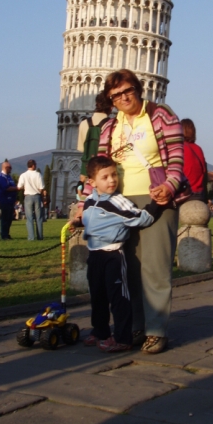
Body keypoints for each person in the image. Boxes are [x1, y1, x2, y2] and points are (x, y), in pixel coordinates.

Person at [98, 68, 184, 355]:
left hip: (157, 199)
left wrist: (169, 187)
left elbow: (176, 158)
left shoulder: (161, 115)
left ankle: (156, 330)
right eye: (115, 95)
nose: (123, 98)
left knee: (155, 267)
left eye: (127, 91)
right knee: (130, 269)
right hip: (122, 203)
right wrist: (89, 203)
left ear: (137, 88)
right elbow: (100, 169)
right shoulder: (109, 127)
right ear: (110, 99)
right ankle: (135, 327)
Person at [82, 155, 155, 352]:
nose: (112, 180)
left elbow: (140, 218)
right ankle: (100, 331)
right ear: (92, 182)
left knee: (119, 298)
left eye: (114, 175)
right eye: (105, 177)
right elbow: (90, 219)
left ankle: (123, 338)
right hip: (94, 255)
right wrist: (78, 222)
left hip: (113, 255)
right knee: (97, 296)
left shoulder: (118, 201)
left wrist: (155, 205)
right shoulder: (90, 201)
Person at [78, 92, 110, 182]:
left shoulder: (83, 124)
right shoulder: (112, 124)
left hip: (87, 174)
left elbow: (82, 150)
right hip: (105, 175)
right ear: (111, 107)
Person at [18, 159, 45, 241]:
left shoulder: (23, 175)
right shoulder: (38, 175)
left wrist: (25, 187)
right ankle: (40, 236)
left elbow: (19, 187)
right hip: (37, 196)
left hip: (28, 196)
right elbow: (41, 188)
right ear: (33, 165)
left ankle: (31, 237)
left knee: (29, 218)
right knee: (39, 218)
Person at [180, 118, 207, 201]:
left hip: (184, 193)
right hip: (199, 193)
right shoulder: (198, 149)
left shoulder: (179, 148)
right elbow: (204, 171)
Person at [0, 160, 18, 240]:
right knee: (5, 218)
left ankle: (7, 233)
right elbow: (6, 188)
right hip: (5, 201)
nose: (11, 169)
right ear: (6, 168)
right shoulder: (1, 178)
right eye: (10, 168)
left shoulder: (9, 177)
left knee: (9, 218)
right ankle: (4, 234)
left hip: (11, 201)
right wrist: (17, 188)